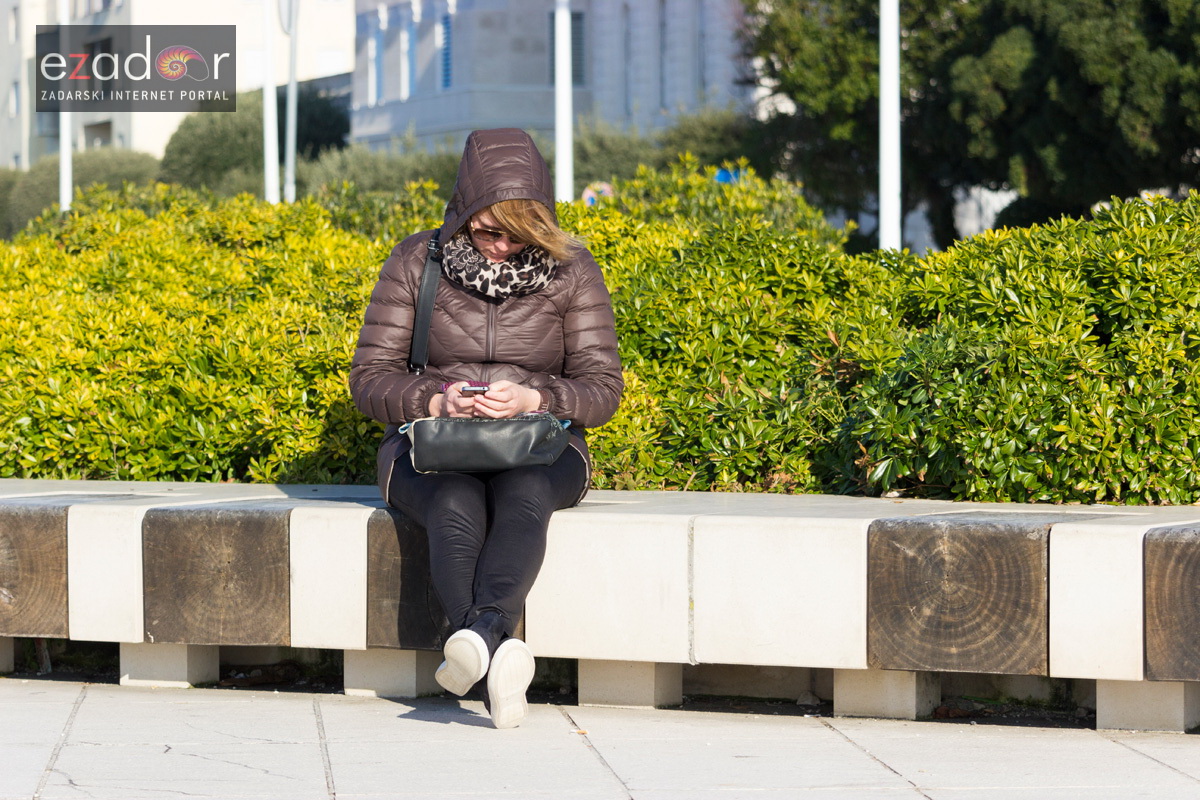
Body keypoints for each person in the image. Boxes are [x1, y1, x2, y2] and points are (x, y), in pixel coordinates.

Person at [349, 128, 623, 729]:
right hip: (431, 446)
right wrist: (436, 399)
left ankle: (476, 639)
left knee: (524, 496)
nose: (499, 246)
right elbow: (370, 378)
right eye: (487, 229)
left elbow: (604, 390)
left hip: (542, 445)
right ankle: (498, 650)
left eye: (517, 234)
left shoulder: (571, 270)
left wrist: (537, 395)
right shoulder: (418, 259)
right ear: (464, 214)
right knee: (453, 503)